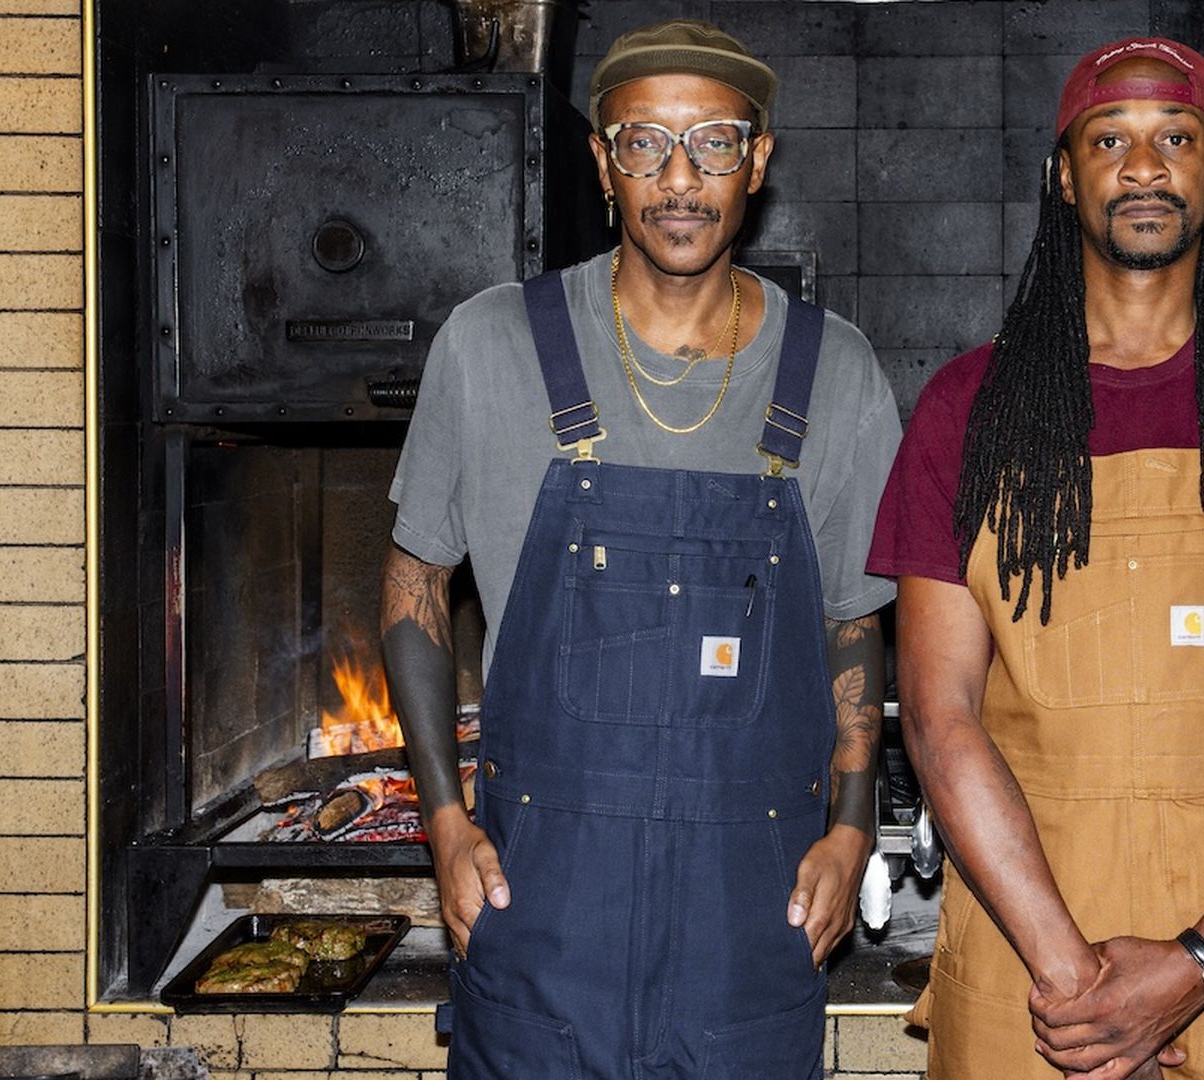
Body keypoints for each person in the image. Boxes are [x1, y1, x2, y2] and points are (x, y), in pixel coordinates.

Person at [868, 36, 1204, 1080]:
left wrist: (1199, 961)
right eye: (1109, 139)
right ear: (1064, 177)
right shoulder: (963, 412)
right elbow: (939, 722)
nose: (1145, 165)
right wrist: (1077, 983)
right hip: (1030, 978)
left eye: (1177, 138)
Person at [382, 19, 901, 1078]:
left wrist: (853, 828)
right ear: (601, 159)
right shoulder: (488, 346)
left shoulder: (835, 372)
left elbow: (855, 623)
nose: (679, 179)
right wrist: (443, 817)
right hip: (538, 920)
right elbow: (413, 582)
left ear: (758, 159)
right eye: (643, 144)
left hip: (749, 932)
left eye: (713, 143)